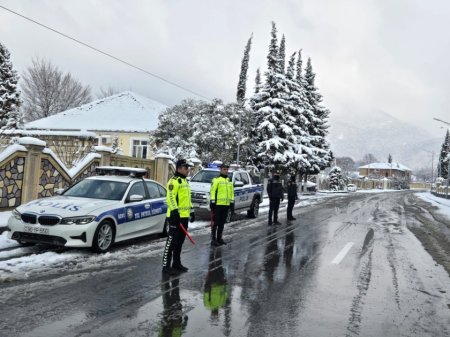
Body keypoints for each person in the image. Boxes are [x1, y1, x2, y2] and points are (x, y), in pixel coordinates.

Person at [162, 159, 195, 275]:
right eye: (186, 168)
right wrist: (175, 212)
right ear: (179, 168)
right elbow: (170, 198)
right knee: (171, 241)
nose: (188, 170)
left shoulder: (185, 182)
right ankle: (166, 266)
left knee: (180, 242)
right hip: (174, 216)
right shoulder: (173, 182)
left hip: (184, 217)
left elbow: (187, 199)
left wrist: (192, 211)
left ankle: (176, 263)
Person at [209, 163, 234, 246]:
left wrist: (231, 202)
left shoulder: (228, 181)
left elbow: (231, 192)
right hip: (218, 205)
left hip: (226, 205)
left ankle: (219, 238)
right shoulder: (216, 180)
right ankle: (213, 239)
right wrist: (212, 202)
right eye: (224, 169)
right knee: (215, 223)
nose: (226, 171)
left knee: (222, 223)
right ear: (220, 170)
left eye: (227, 169)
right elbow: (212, 191)